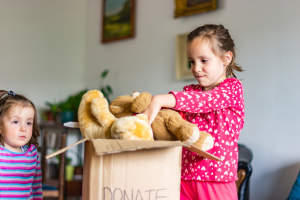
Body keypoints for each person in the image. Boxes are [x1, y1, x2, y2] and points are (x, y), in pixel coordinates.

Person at [143, 24, 244, 200]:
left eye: (204, 60)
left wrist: (159, 100)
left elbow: (203, 102)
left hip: (216, 179)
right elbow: (172, 122)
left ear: (226, 58)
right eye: (192, 61)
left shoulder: (232, 89)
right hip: (183, 176)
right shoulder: (190, 91)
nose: (196, 68)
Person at [0, 90, 42, 200]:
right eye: (15, 121)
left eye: (28, 123)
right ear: (0, 127)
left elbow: (37, 188)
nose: (24, 128)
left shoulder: (33, 153)